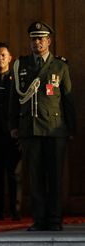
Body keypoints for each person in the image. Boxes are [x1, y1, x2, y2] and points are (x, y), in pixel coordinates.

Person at [9, 21, 76, 231]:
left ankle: (55, 220)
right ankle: (39, 220)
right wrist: (13, 124)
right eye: (33, 39)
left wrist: (71, 129)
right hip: (30, 129)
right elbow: (14, 98)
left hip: (55, 129)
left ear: (49, 41)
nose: (37, 42)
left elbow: (68, 100)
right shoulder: (21, 64)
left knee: (54, 177)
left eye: (41, 38)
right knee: (35, 178)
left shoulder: (60, 66)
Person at [0, 42, 21, 221]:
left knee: (13, 173)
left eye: (3, 55)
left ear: (10, 58)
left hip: (12, 133)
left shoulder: (16, 80)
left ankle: (15, 210)